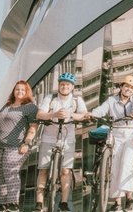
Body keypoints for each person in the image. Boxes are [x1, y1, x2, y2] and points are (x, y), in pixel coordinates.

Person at [36, 72, 89, 212]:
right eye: (62, 84)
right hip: (48, 137)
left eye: (68, 85)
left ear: (72, 87)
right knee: (43, 169)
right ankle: (39, 203)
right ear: (59, 85)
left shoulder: (77, 100)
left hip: (68, 138)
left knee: (65, 171)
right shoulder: (51, 98)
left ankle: (64, 203)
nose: (65, 86)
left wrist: (71, 114)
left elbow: (84, 115)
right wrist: (54, 114)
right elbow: (40, 114)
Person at [90, 74, 133, 211]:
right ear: (121, 86)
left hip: (131, 133)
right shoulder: (111, 100)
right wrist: (92, 114)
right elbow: (102, 109)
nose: (129, 89)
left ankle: (129, 198)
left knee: (126, 163)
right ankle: (117, 203)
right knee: (114, 167)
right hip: (116, 132)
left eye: (132, 88)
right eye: (127, 86)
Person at [0, 81, 39, 211]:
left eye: (23, 90)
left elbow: (33, 127)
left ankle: (13, 203)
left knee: (10, 171)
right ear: (14, 91)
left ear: (27, 92)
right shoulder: (6, 106)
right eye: (17, 89)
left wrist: (26, 143)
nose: (20, 92)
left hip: (16, 145)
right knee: (0, 175)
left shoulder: (30, 107)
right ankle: (2, 204)